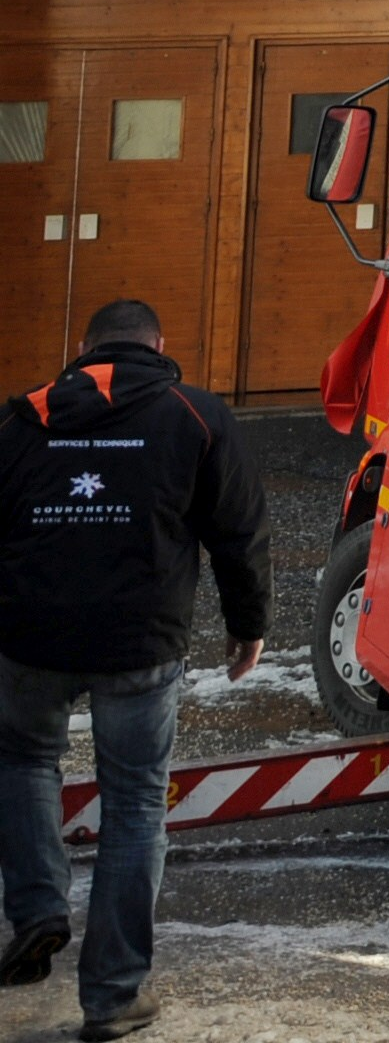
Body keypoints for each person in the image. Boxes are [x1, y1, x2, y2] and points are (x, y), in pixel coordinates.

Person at [0, 297, 269, 1042]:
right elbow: (239, 533)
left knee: (22, 759)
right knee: (135, 802)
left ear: (83, 347)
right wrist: (248, 628)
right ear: (159, 343)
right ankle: (114, 997)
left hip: (28, 636)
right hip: (140, 643)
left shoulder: (22, 420)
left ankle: (36, 911)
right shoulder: (196, 413)